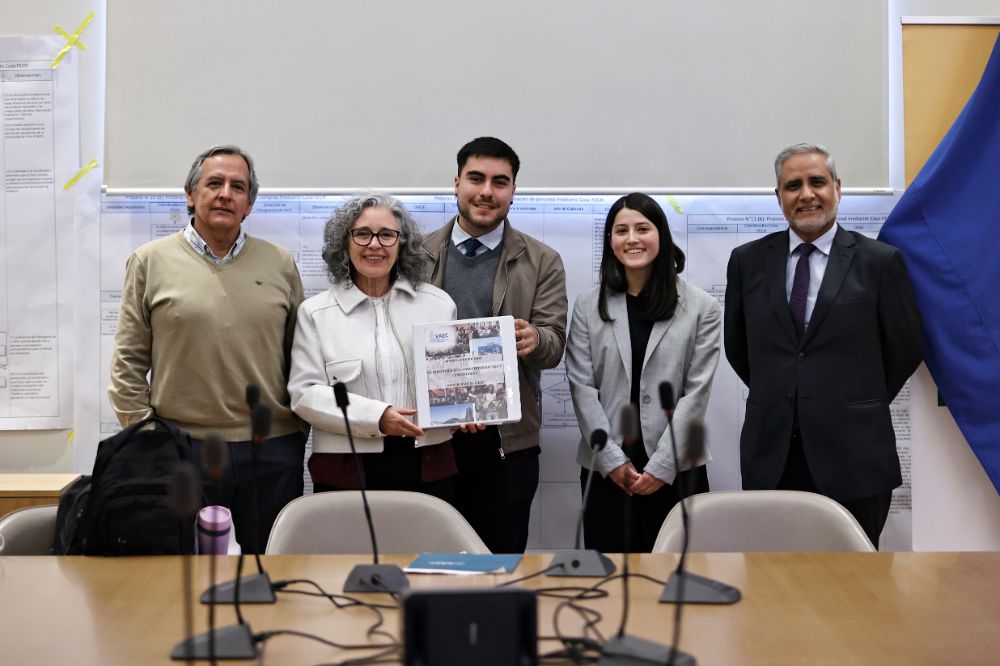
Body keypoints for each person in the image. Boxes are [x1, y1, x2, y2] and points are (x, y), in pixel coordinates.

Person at [109, 144, 307, 551]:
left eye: (238, 187)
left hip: (269, 450)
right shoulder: (149, 261)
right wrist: (150, 437)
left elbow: (300, 355)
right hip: (182, 447)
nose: (225, 194)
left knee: (269, 569)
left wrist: (295, 433)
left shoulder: (280, 263)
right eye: (214, 183)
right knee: (179, 574)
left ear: (249, 204)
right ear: (190, 195)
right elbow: (128, 361)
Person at [724, 143, 923, 547]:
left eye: (817, 182)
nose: (806, 194)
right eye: (793, 185)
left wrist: (852, 400)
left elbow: (905, 347)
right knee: (773, 586)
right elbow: (738, 347)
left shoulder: (880, 262)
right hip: (773, 457)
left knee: (854, 592)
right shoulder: (746, 262)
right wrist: (788, 392)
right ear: (778, 196)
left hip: (855, 457)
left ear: (837, 187)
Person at [423, 137, 567, 553]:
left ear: (512, 192)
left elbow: (555, 345)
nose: (487, 191)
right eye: (476, 178)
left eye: (499, 182)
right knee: (434, 563)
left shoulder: (542, 260)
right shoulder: (416, 254)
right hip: (435, 440)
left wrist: (534, 338)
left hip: (508, 445)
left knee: (501, 565)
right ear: (456, 183)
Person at [566, 193, 721, 552]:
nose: (632, 238)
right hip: (606, 472)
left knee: (679, 586)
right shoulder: (589, 305)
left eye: (642, 228)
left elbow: (696, 395)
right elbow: (582, 388)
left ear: (662, 236)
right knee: (610, 584)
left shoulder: (701, 307)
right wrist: (611, 460)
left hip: (678, 470)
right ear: (610, 242)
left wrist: (663, 465)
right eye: (621, 230)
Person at [288, 192, 458, 499]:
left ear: (402, 243)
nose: (375, 245)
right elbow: (305, 394)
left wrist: (467, 412)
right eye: (363, 234)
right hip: (346, 469)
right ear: (345, 242)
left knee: (424, 547)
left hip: (427, 466)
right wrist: (376, 416)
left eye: (387, 235)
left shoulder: (438, 305)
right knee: (352, 549)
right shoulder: (315, 313)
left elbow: (455, 381)